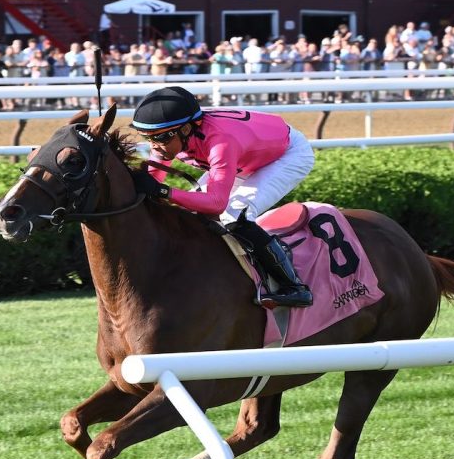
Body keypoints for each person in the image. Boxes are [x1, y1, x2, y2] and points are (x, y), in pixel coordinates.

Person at [129, 85, 315, 308]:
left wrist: (164, 192)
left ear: (186, 129)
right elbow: (154, 178)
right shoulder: (174, 134)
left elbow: (217, 204)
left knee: (235, 214)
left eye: (160, 138)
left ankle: (293, 286)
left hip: (285, 155)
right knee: (189, 212)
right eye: (148, 138)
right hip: (245, 156)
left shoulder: (220, 141)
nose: (155, 146)